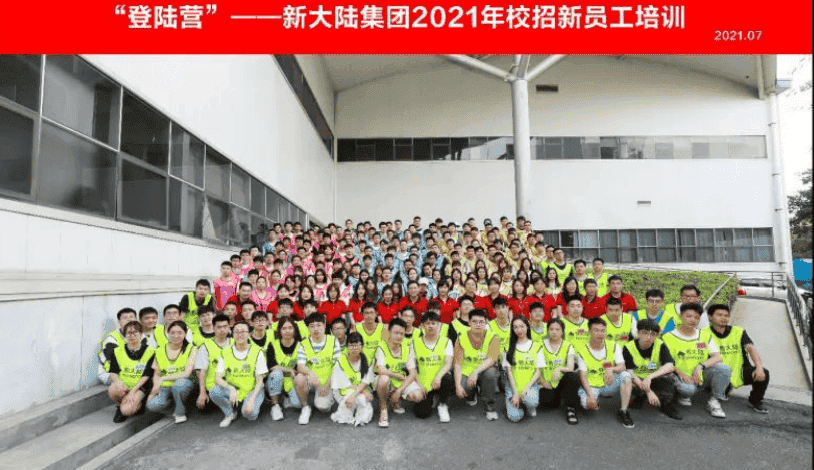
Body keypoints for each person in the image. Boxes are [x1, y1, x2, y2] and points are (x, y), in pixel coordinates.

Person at [661, 303, 731, 419]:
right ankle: (682, 394)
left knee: (724, 369)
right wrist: (679, 372)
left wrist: (700, 366)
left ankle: (714, 401)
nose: (693, 320)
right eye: (689, 316)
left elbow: (717, 357)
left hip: (699, 375)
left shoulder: (704, 336)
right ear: (680, 316)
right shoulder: (668, 337)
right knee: (688, 390)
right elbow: (665, 362)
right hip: (680, 376)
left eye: (697, 317)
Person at [703, 304, 770, 413]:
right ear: (710, 317)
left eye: (726, 315)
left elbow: (751, 349)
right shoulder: (704, 333)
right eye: (719, 315)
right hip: (719, 372)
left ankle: (755, 401)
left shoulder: (738, 331)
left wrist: (759, 367)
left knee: (764, 373)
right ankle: (718, 389)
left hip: (739, 371)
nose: (723, 318)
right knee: (719, 387)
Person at [576, 317, 635, 429]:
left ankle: (623, 411)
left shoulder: (613, 345)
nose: (600, 333)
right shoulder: (582, 350)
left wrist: (611, 369)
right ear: (590, 332)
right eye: (596, 330)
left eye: (603, 330)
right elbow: (582, 376)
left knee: (626, 376)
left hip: (609, 384)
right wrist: (590, 396)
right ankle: (594, 398)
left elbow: (622, 366)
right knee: (587, 405)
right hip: (592, 386)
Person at [209, 321, 267, 428]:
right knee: (214, 391)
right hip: (234, 390)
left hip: (252, 390)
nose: (240, 334)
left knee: (250, 414)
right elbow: (218, 378)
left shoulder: (257, 351)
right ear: (233, 334)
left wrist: (251, 400)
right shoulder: (226, 352)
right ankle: (230, 413)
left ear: (249, 334)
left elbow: (260, 381)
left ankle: (246, 404)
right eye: (237, 332)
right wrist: (230, 388)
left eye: (243, 332)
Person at [622, 319, 682, 420]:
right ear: (638, 333)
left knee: (669, 376)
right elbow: (629, 371)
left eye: (653, 334)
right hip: (637, 380)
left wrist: (649, 377)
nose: (648, 337)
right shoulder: (628, 347)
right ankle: (640, 396)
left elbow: (670, 366)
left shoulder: (660, 345)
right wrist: (648, 391)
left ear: (657, 335)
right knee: (626, 378)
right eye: (645, 333)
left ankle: (666, 403)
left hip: (653, 378)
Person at [405, 311, 455, 423]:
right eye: (427, 323)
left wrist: (438, 377)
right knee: (422, 413)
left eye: (433, 323)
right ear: (422, 326)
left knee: (447, 378)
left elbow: (448, 363)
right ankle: (431, 397)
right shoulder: (415, 342)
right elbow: (411, 366)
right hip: (424, 382)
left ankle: (442, 404)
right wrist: (419, 384)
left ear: (438, 325)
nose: (430, 326)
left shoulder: (446, 342)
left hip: (440, 379)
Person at [453, 309, 501, 421]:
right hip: (467, 371)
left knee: (491, 374)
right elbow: (457, 364)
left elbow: (492, 359)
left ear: (486, 322)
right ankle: (472, 392)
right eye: (474, 321)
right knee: (462, 387)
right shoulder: (461, 337)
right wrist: (458, 385)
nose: (478, 324)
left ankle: (489, 405)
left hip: (484, 370)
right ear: (469, 322)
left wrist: (475, 373)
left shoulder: (493, 337)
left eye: (481, 322)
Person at [146, 320, 197, 424]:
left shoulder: (191, 348)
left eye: (179, 332)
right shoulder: (160, 350)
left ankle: (180, 413)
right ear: (168, 333)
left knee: (179, 385)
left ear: (185, 334)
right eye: (172, 333)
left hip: (183, 383)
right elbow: (157, 373)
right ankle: (174, 409)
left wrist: (164, 378)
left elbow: (186, 374)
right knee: (151, 405)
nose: (175, 336)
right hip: (165, 386)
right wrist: (155, 388)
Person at [296, 313, 341, 424]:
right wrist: (311, 374)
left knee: (323, 407)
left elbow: (338, 366)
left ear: (324, 325)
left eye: (319, 325)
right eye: (312, 326)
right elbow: (300, 367)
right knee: (299, 378)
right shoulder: (303, 344)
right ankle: (306, 407)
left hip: (328, 380)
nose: (315, 329)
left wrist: (326, 384)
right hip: (312, 379)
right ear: (308, 328)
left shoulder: (333, 341)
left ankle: (325, 396)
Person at [107, 321, 155, 423]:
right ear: (125, 335)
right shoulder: (117, 351)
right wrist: (118, 382)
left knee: (127, 410)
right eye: (129, 333)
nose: (132, 335)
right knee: (112, 389)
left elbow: (147, 375)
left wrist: (132, 392)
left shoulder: (150, 351)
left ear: (140, 334)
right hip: (124, 384)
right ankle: (120, 407)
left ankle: (138, 404)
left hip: (140, 387)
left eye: (135, 332)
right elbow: (113, 372)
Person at [375, 317, 418, 427]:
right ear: (389, 332)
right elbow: (380, 369)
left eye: (402, 333)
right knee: (384, 379)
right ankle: (383, 409)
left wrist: (399, 391)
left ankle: (395, 400)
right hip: (388, 379)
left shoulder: (407, 347)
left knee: (417, 396)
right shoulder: (382, 346)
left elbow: (413, 372)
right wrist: (395, 375)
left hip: (400, 380)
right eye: (396, 333)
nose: (399, 336)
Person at [539, 318, 581, 424]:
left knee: (572, 376)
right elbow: (536, 367)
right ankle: (559, 397)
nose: (554, 332)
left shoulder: (568, 345)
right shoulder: (540, 345)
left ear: (562, 331)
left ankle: (570, 408)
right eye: (551, 329)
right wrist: (542, 381)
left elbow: (570, 367)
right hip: (547, 383)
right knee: (547, 402)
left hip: (561, 381)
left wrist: (559, 369)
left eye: (557, 329)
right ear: (548, 331)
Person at [504, 316, 544, 422]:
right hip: (513, 386)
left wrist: (525, 390)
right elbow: (509, 373)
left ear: (527, 326)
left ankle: (529, 406)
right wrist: (516, 394)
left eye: (522, 326)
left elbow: (538, 372)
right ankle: (516, 403)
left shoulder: (537, 346)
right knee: (515, 417)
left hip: (530, 385)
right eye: (515, 327)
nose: (519, 330)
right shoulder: (508, 347)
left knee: (531, 401)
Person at [330, 332, 375, 426]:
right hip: (343, 391)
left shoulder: (368, 359)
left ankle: (359, 415)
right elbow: (342, 384)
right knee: (346, 411)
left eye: (357, 345)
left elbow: (366, 382)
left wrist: (359, 393)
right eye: (351, 345)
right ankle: (349, 411)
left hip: (361, 390)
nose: (354, 348)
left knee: (362, 401)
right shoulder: (340, 360)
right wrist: (356, 394)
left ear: (362, 346)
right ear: (347, 346)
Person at [194, 314, 233, 413]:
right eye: (219, 327)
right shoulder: (206, 346)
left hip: (233, 384)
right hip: (213, 386)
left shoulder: (235, 343)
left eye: (225, 326)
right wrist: (202, 393)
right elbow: (201, 371)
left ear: (229, 327)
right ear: (213, 328)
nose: (222, 330)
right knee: (203, 408)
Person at [266, 317, 303, 421]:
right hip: (276, 378)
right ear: (280, 330)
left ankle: (286, 396)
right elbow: (271, 365)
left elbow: (302, 365)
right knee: (276, 374)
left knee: (298, 405)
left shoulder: (300, 345)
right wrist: (287, 370)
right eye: (284, 328)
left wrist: (295, 373)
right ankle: (275, 405)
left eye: (290, 328)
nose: (287, 331)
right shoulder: (273, 344)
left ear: (294, 329)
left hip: (291, 378)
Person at [98, 307, 139, 384]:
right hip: (110, 373)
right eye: (125, 318)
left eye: (131, 317)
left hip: (130, 371)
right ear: (119, 322)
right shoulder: (111, 339)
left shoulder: (140, 335)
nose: (129, 320)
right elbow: (117, 362)